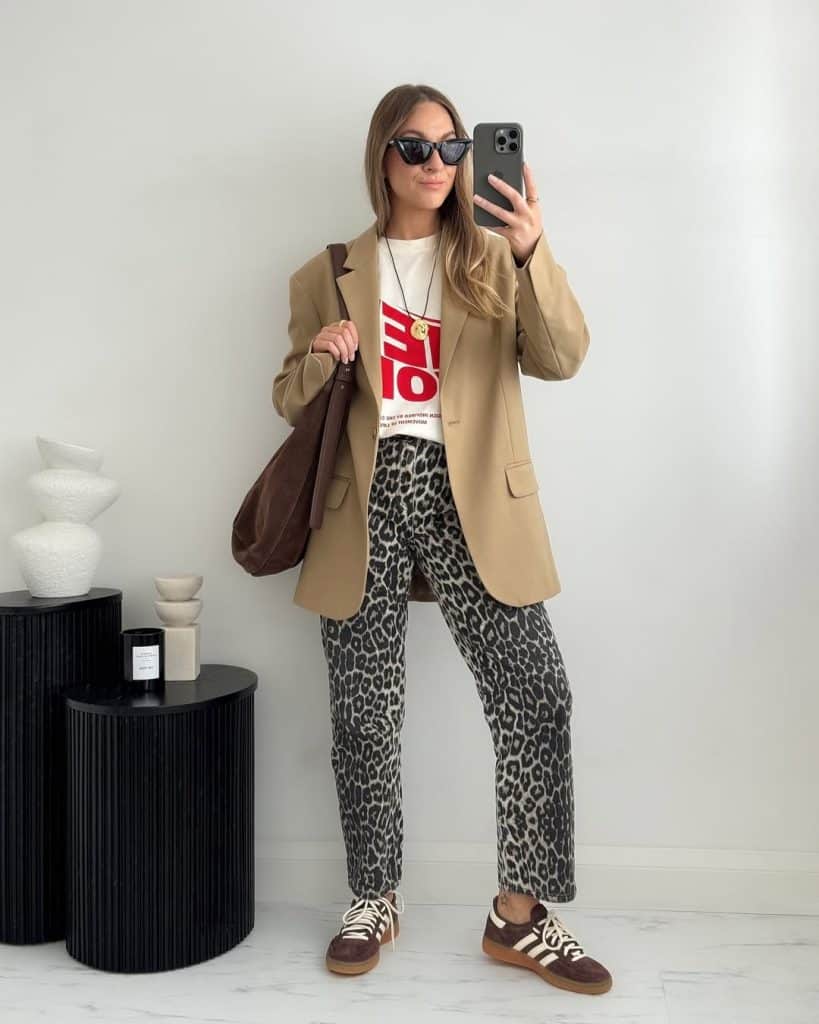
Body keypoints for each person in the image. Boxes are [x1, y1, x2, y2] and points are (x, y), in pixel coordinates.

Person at [272, 84, 611, 996]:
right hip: (367, 494)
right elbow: (287, 396)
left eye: (452, 149)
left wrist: (532, 249)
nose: (436, 166)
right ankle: (374, 895)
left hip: (474, 499)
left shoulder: (492, 258)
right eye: (415, 148)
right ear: (382, 156)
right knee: (364, 714)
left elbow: (563, 355)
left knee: (535, 694)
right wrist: (323, 355)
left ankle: (521, 914)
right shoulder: (329, 268)